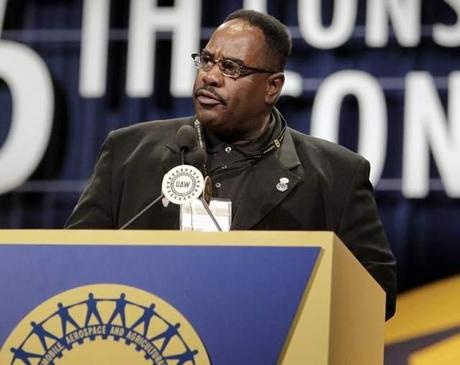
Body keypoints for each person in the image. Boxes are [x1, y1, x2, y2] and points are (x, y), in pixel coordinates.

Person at [66, 9, 396, 319]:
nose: (210, 77)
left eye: (231, 68)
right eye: (207, 61)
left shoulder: (336, 175)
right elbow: (71, 264)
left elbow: (378, 295)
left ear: (272, 87)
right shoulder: (128, 152)